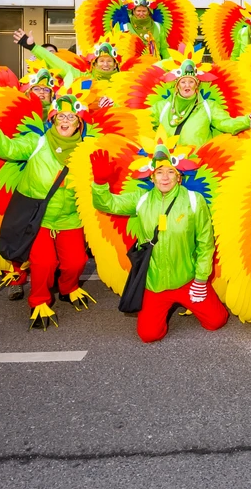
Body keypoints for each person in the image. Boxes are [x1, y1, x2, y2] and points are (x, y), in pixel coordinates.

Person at [0, 77, 98, 327]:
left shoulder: (87, 148)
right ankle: (39, 301)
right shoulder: (37, 142)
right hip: (38, 216)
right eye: (61, 117)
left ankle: (68, 288)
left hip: (70, 216)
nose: (65, 122)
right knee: (44, 262)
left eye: (71, 118)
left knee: (76, 262)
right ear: (52, 119)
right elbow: (7, 149)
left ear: (79, 123)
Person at [91, 139, 229, 343]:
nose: (165, 177)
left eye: (170, 172)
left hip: (187, 280)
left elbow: (205, 243)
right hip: (154, 284)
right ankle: (165, 308)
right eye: (159, 172)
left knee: (217, 321)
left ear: (179, 176)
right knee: (148, 335)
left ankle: (188, 302)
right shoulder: (141, 199)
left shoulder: (194, 200)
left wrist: (200, 280)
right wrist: (100, 184)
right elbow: (107, 203)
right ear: (152, 177)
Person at [148, 56, 251, 146]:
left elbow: (227, 124)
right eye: (183, 82)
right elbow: (142, 122)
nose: (187, 85)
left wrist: (249, 119)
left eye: (191, 82)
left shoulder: (209, 106)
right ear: (177, 85)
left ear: (197, 84)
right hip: (170, 166)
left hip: (198, 165)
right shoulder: (162, 107)